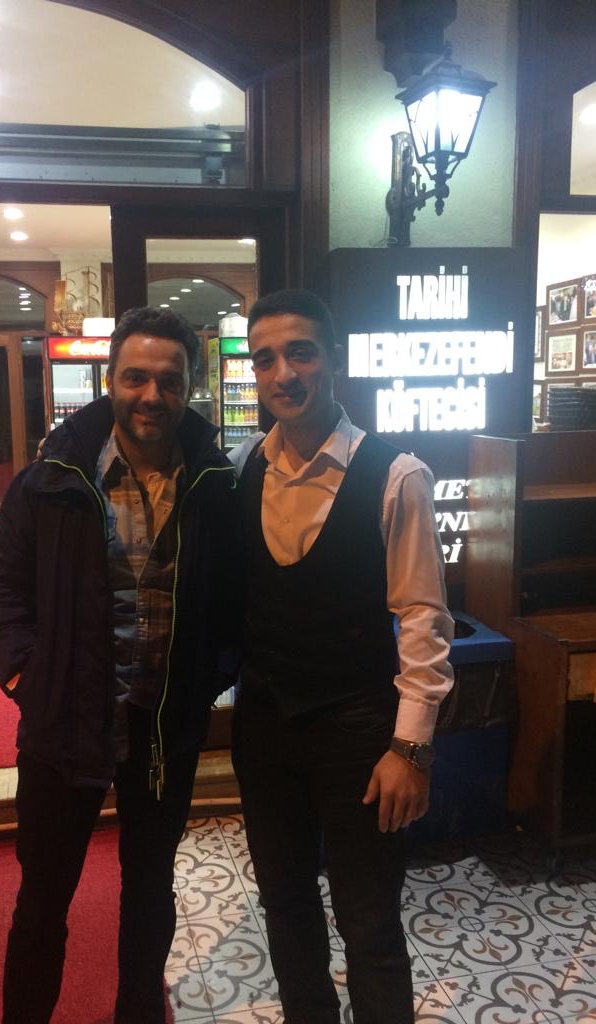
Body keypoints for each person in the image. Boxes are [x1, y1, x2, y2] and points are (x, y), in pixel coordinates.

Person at [0, 306, 241, 1024]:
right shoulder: (52, 479)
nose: (152, 395)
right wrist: (25, 674)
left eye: (169, 381)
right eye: (135, 378)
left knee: (150, 891)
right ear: (110, 380)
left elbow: (235, 601)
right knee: (43, 897)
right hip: (64, 720)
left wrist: (204, 681)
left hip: (162, 730)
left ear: (190, 388)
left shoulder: (215, 485)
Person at [229, 289, 454, 1024]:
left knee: (370, 921)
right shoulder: (243, 468)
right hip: (265, 728)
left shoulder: (396, 474)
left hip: (360, 731)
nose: (284, 373)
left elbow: (423, 618)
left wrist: (410, 749)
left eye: (300, 352)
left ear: (333, 360)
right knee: (285, 906)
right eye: (266, 358)